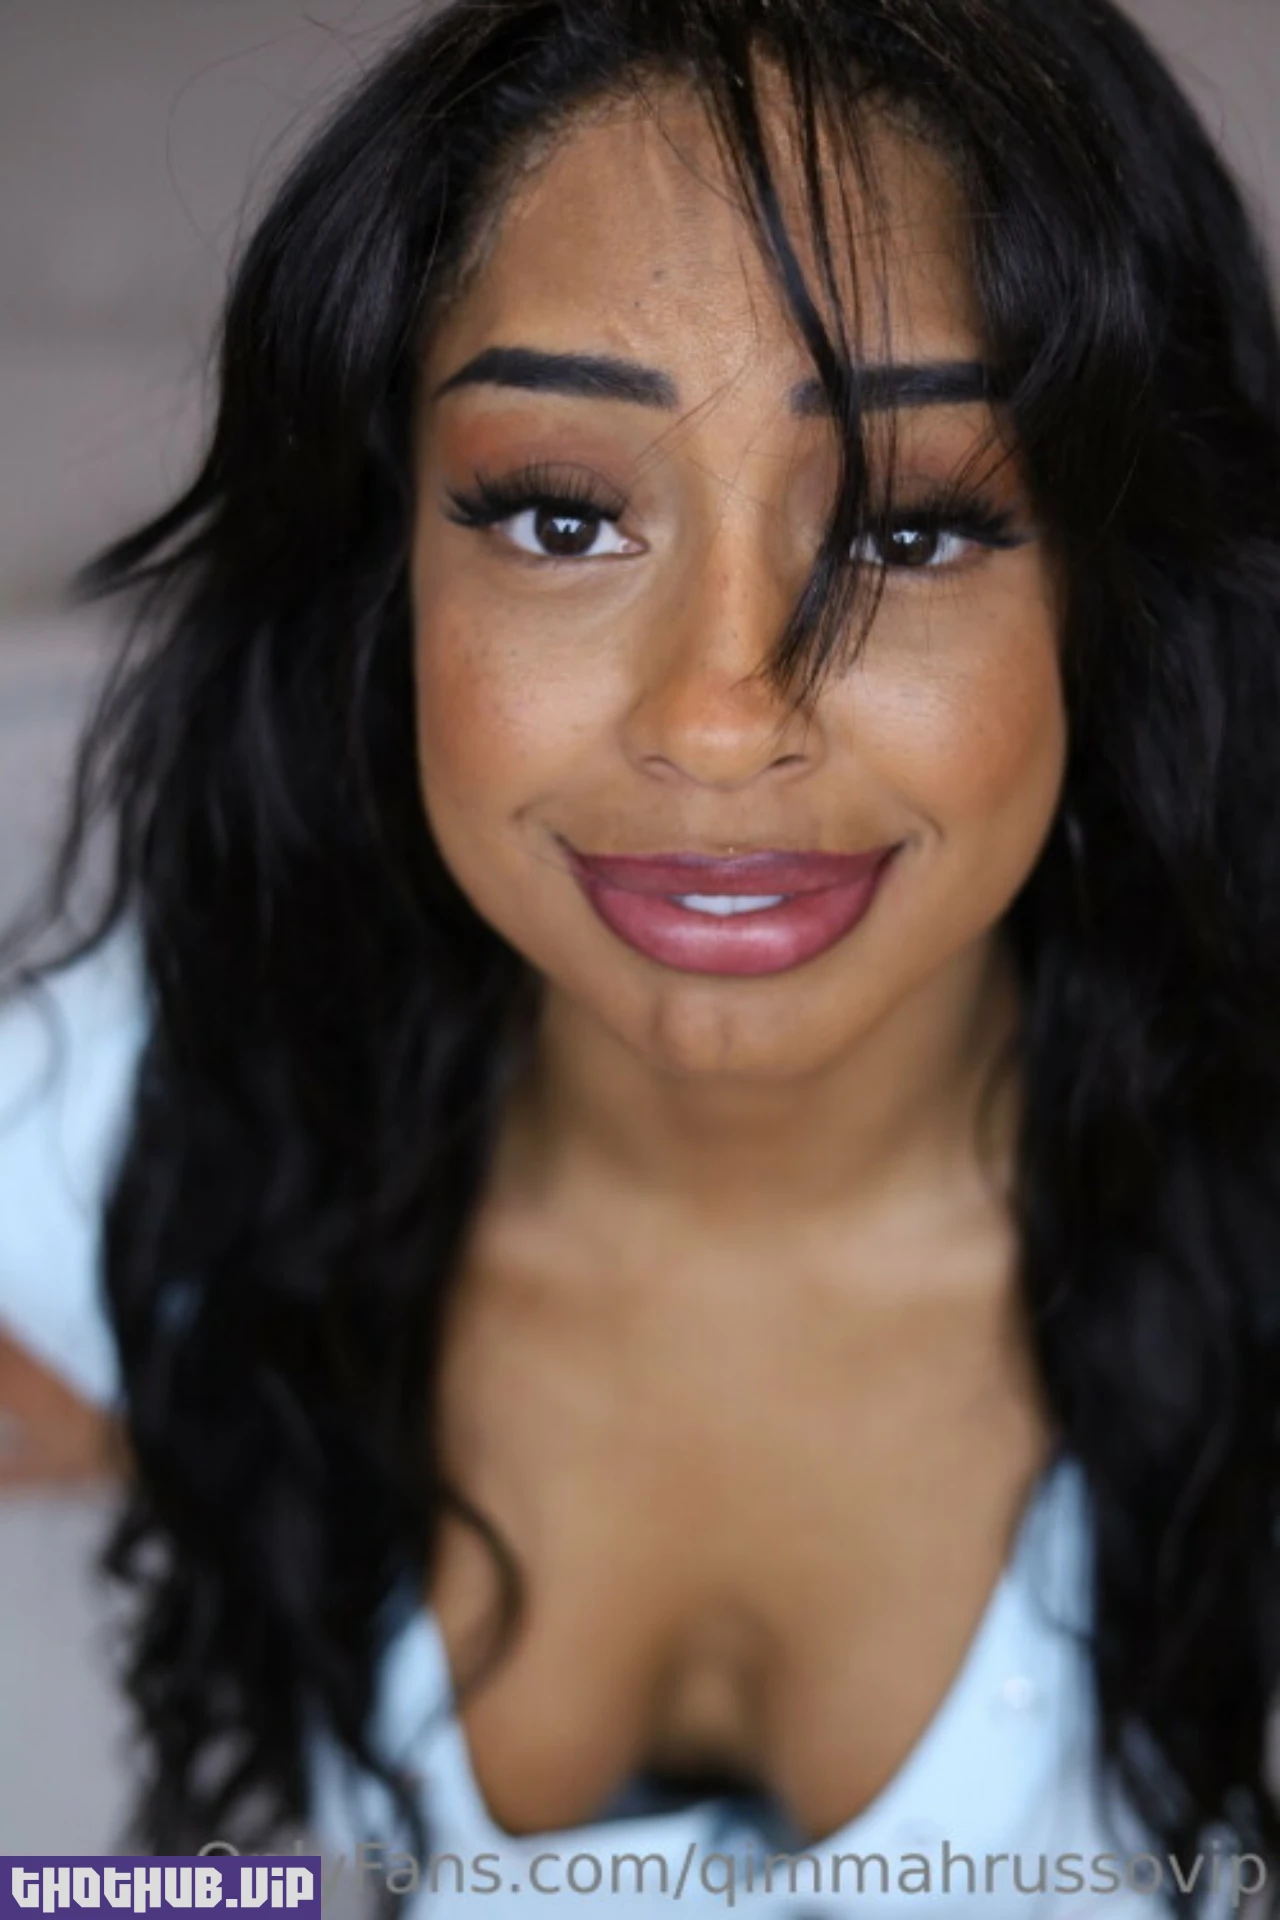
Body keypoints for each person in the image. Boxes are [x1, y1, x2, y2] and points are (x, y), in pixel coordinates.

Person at [2, 0, 1279, 1912]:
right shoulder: (135, 1123)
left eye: (910, 531)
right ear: (387, 568)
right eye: (560, 515)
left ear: (1119, 592)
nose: (719, 719)